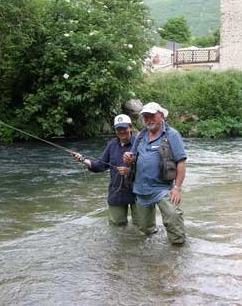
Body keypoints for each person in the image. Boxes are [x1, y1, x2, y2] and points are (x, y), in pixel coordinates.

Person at [123, 102, 187, 244]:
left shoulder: (172, 135)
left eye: (151, 116)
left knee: (173, 217)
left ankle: (179, 252)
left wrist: (177, 188)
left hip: (163, 188)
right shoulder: (140, 136)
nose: (148, 119)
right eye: (145, 116)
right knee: (145, 231)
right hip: (141, 189)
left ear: (161, 116)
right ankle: (151, 259)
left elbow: (181, 162)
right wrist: (128, 158)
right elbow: (132, 158)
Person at [72, 114, 137, 226]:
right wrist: (83, 160)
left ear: (130, 127)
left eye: (124, 128)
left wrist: (129, 170)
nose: (121, 131)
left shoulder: (140, 142)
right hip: (117, 191)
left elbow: (148, 167)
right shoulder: (111, 145)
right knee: (117, 227)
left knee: (143, 227)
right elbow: (100, 165)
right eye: (118, 129)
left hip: (138, 191)